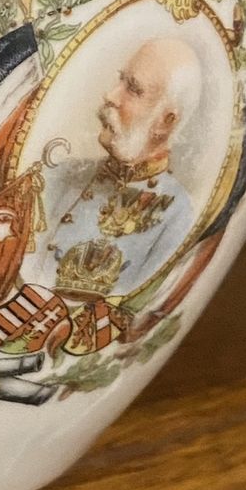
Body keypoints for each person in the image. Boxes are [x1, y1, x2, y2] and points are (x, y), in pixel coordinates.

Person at [43, 37, 202, 299]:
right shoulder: (60, 174)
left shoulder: (177, 215)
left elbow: (135, 305)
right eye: (120, 80)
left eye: (133, 89)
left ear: (166, 121)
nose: (111, 96)